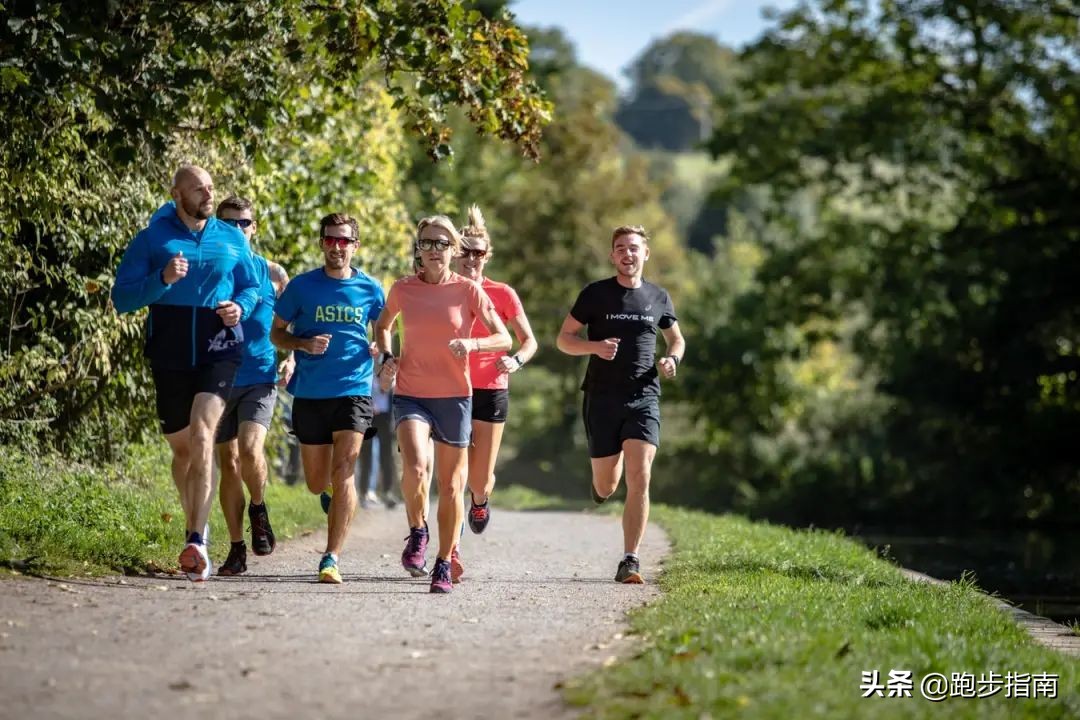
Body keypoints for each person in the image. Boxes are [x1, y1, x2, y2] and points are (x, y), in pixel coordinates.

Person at [112, 165, 260, 582]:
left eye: (211, 186)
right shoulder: (154, 239)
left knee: (202, 433)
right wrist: (161, 279)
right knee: (183, 451)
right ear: (177, 194)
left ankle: (197, 539)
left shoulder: (231, 238)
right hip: (170, 350)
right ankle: (196, 520)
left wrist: (241, 308)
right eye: (199, 189)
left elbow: (252, 287)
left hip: (220, 347)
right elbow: (122, 297)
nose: (208, 194)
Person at [374, 215, 511, 593]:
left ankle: (443, 562)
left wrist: (473, 344)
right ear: (418, 248)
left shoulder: (468, 290)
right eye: (427, 243)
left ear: (453, 249)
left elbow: (503, 338)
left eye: (441, 243)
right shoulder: (403, 289)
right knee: (417, 467)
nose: (434, 250)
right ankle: (418, 530)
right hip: (412, 392)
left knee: (451, 486)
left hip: (455, 396)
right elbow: (383, 324)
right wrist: (386, 358)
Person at [555, 225, 685, 584]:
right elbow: (564, 339)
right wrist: (593, 347)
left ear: (646, 254)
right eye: (620, 248)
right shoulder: (595, 294)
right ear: (613, 256)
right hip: (602, 397)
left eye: (634, 248)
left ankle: (631, 559)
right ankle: (599, 489)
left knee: (640, 476)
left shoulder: (658, 297)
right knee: (608, 485)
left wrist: (673, 360)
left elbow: (676, 340)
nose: (628, 254)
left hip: (644, 396)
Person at [269, 213, 385, 584]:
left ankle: (331, 557)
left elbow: (385, 331)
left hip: (353, 390)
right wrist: (302, 343)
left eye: (344, 240)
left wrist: (379, 349)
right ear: (322, 243)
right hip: (310, 392)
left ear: (355, 245)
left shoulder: (370, 288)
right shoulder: (302, 287)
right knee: (317, 482)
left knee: (345, 469)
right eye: (331, 240)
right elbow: (276, 334)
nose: (337, 247)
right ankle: (330, 494)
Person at [212, 196, 295, 576]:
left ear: (254, 227)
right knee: (227, 464)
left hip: (260, 377)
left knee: (248, 451)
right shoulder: (210, 271)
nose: (237, 229)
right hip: (216, 380)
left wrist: (292, 357)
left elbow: (289, 326)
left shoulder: (274, 274)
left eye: (243, 223)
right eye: (228, 223)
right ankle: (236, 548)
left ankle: (258, 507)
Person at [452, 205, 537, 538]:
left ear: (487, 256)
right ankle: (451, 546)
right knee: (454, 474)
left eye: (478, 253)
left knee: (479, 478)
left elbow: (529, 341)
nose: (471, 259)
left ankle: (481, 498)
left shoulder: (503, 293)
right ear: (455, 254)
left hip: (491, 387)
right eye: (465, 252)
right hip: (451, 387)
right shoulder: (443, 290)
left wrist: (516, 360)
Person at [356, 382, 399, 509]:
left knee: (387, 456)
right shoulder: (366, 365)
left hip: (385, 416)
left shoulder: (389, 364)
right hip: (368, 415)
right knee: (366, 455)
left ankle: (388, 492)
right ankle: (363, 493)